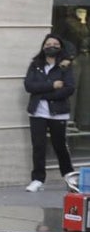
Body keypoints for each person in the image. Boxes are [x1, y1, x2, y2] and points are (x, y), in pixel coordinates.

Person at [24, 34, 75, 192]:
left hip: (58, 113)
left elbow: (69, 88)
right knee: (38, 147)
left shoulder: (65, 66)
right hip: (37, 113)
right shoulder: (35, 65)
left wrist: (43, 93)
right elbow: (29, 86)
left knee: (60, 146)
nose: (51, 46)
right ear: (43, 46)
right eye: (48, 43)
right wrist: (52, 85)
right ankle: (38, 179)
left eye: (55, 43)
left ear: (60, 46)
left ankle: (69, 177)